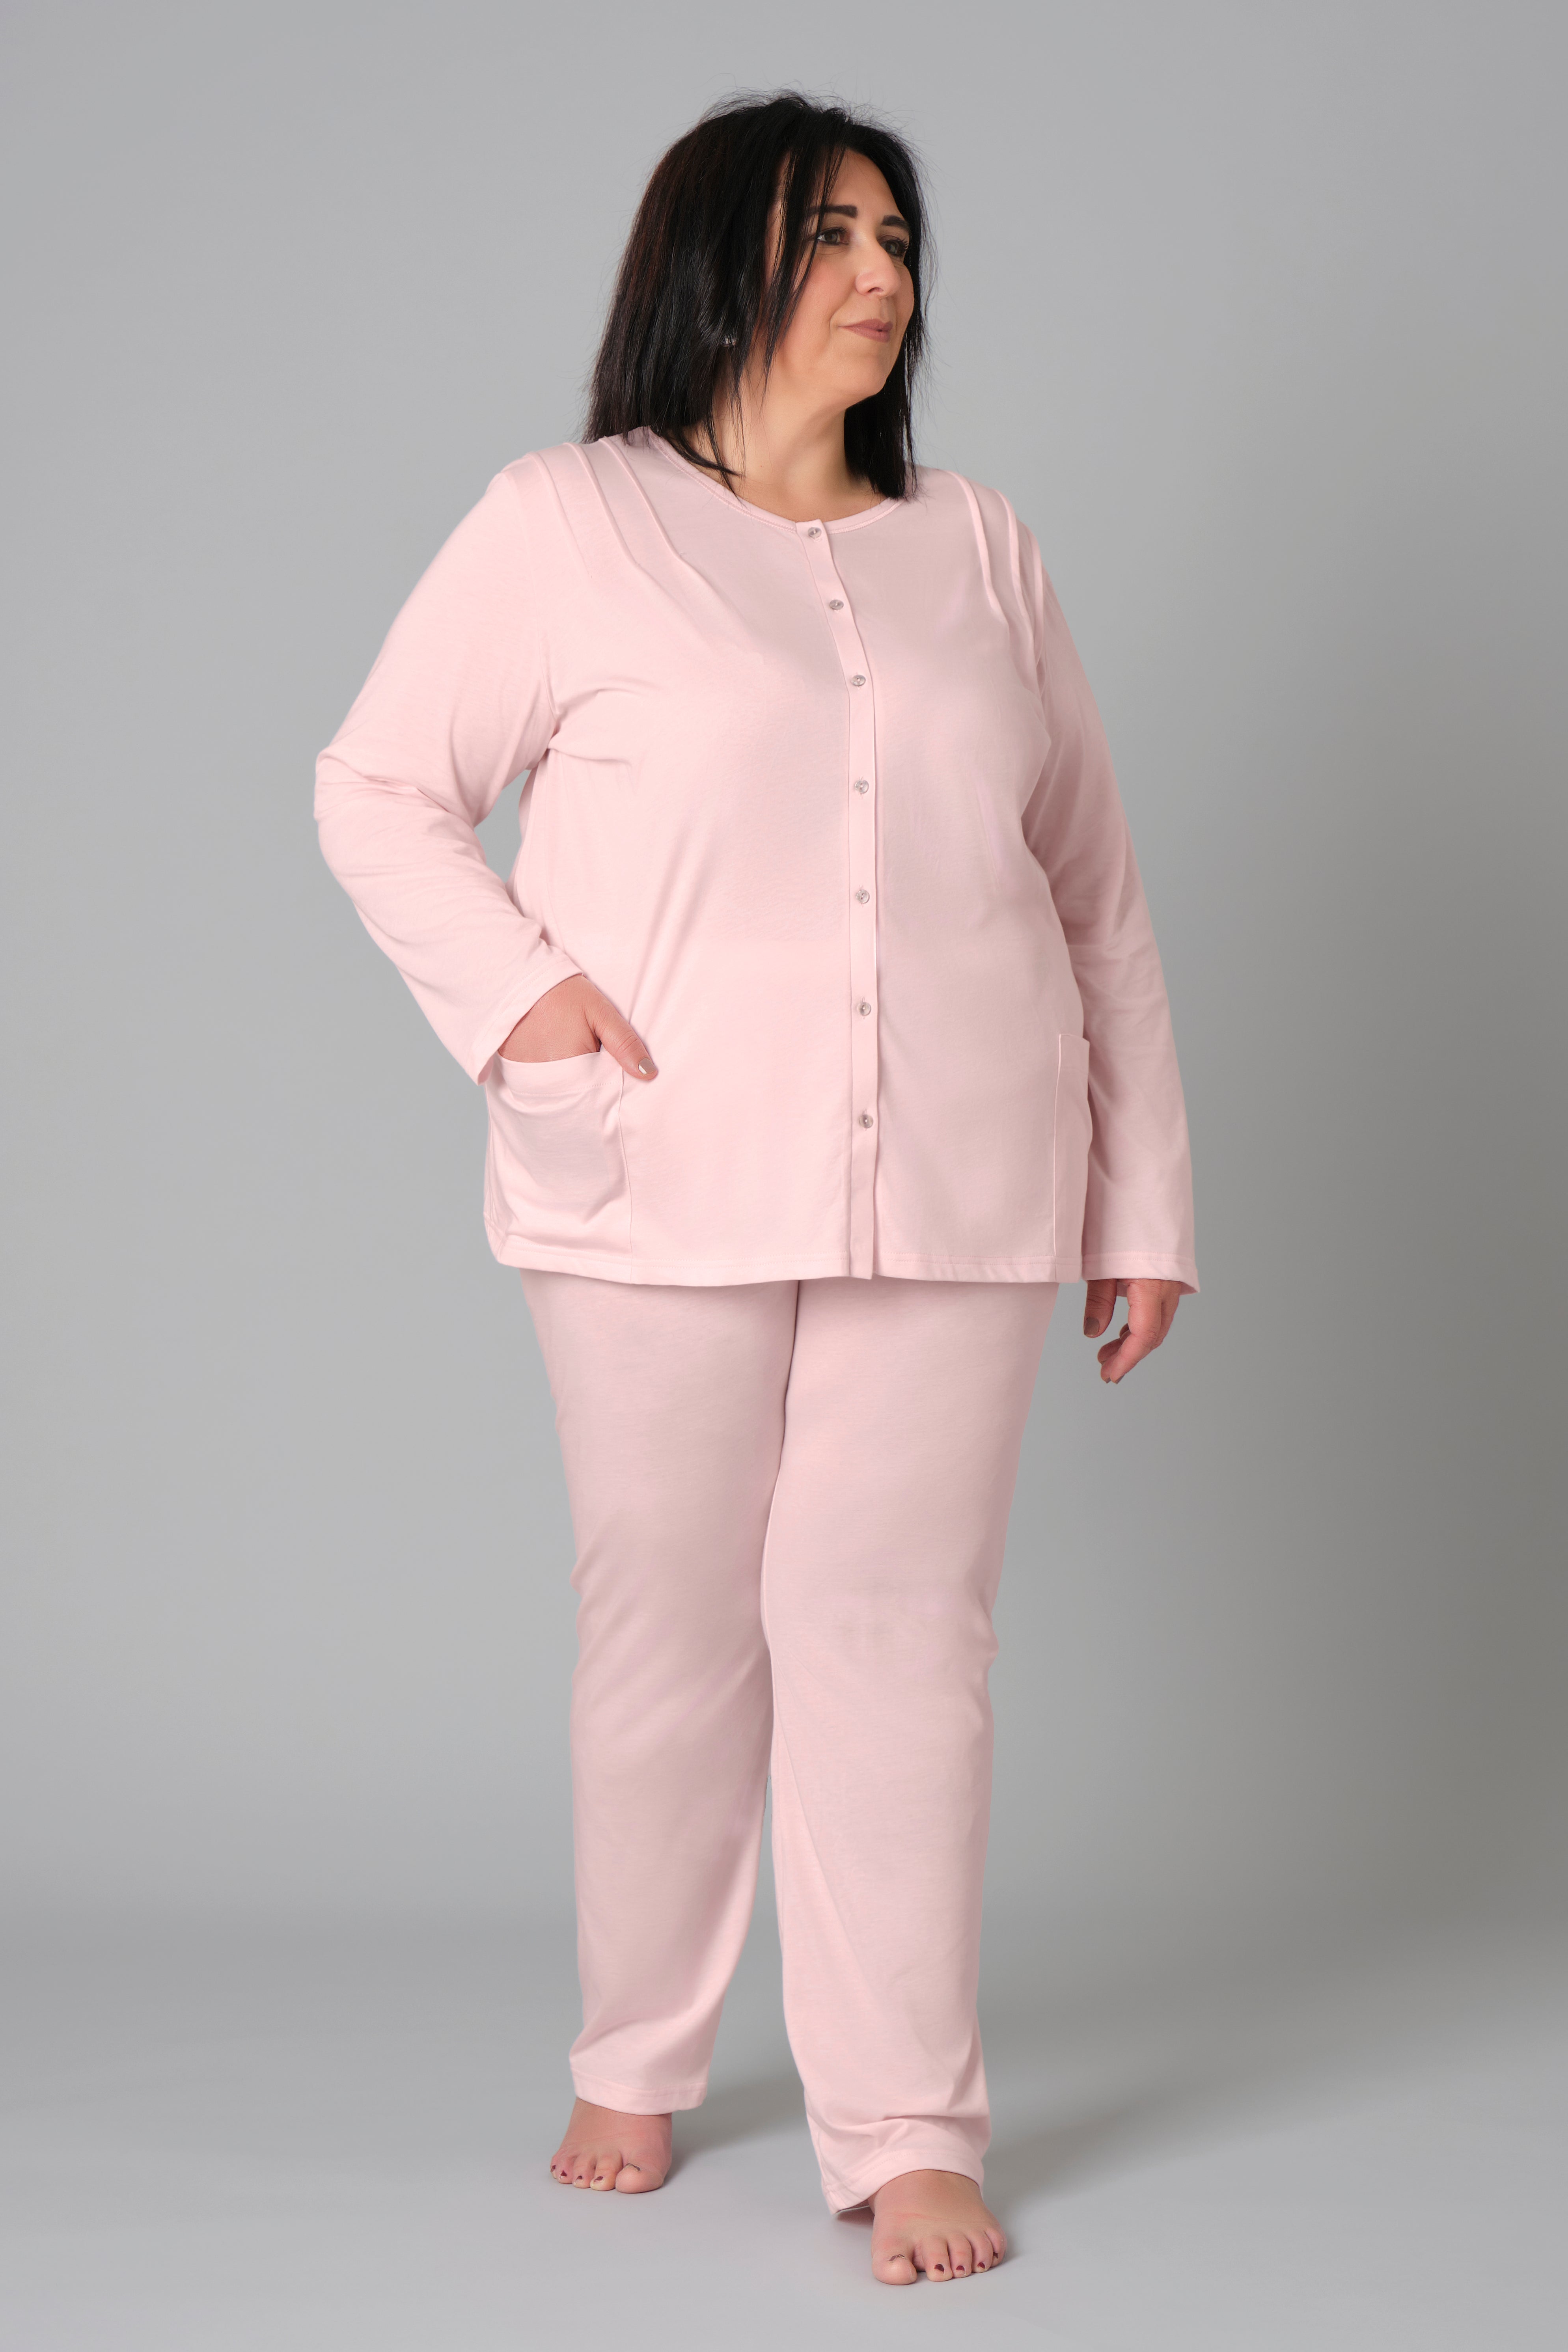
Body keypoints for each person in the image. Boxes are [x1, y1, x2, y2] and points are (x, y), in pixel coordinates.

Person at [313, 89, 1198, 2287]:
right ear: (721, 264)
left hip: (967, 1179)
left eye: (898, 238)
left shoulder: (981, 547)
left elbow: (1093, 895)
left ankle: (909, 2126)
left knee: (900, 1634)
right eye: (831, 235)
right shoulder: (567, 521)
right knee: (672, 1623)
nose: (881, 275)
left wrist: (1143, 1196)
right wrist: (527, 1005)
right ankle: (638, 2051)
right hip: (656, 1171)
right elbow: (379, 789)